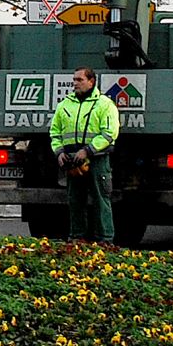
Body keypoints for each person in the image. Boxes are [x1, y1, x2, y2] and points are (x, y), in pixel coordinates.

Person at [49, 67, 120, 244]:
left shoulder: (104, 104)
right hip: (72, 160)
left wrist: (88, 150)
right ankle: (77, 237)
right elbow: (55, 132)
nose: (75, 83)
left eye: (79, 80)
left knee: (101, 198)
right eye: (74, 80)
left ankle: (105, 239)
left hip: (97, 159)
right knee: (75, 200)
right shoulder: (65, 104)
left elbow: (110, 133)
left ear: (91, 81)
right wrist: (59, 152)